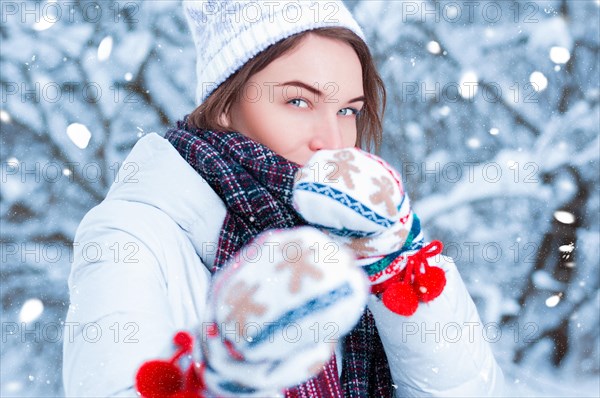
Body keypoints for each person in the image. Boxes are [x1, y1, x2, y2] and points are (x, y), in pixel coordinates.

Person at [62, 1, 506, 397]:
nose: (332, 141)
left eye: (347, 110)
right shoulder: (130, 235)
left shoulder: (357, 227)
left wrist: (394, 262)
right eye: (298, 101)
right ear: (224, 103)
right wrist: (224, 377)